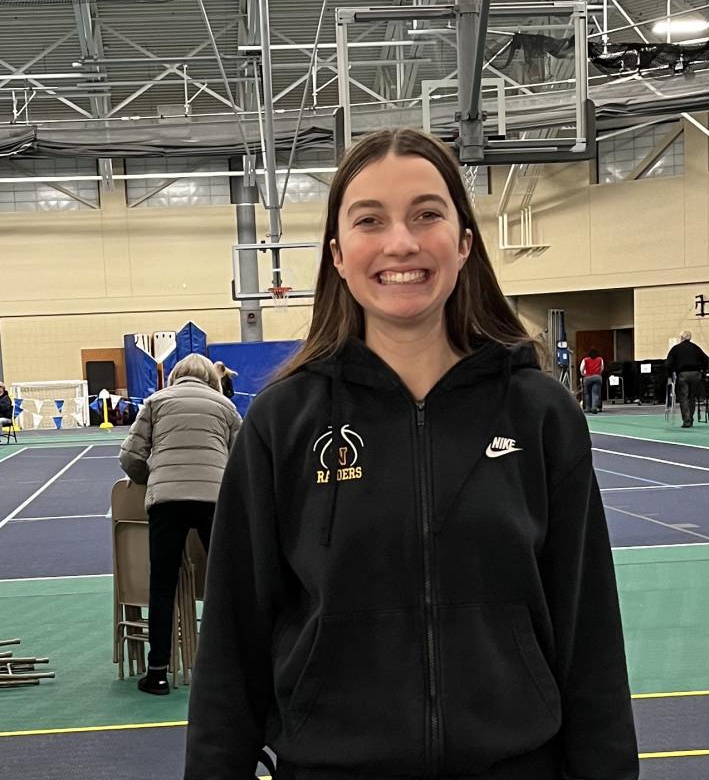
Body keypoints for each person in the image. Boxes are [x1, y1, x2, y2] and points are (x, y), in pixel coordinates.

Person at [185, 128, 639, 780]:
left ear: (463, 243)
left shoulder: (540, 415)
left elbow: (588, 630)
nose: (400, 242)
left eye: (426, 214)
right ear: (338, 255)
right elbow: (232, 644)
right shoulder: (282, 424)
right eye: (370, 220)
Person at [119, 353, 241, 695]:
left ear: (175, 375)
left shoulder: (156, 402)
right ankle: (233, 668)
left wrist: (150, 479)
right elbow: (242, 458)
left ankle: (158, 673)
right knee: (227, 583)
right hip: (214, 500)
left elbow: (130, 456)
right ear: (212, 379)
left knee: (162, 586)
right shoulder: (226, 407)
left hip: (167, 502)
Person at [665, 329, 708, 428]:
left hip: (683, 374)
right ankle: (690, 418)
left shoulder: (676, 348)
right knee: (692, 397)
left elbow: (668, 363)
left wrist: (669, 376)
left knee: (683, 397)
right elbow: (705, 358)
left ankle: (687, 420)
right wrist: (703, 371)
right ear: (690, 338)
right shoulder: (695, 348)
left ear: (681, 338)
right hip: (696, 374)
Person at [580, 348, 605, 413]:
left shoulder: (585, 360)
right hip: (597, 377)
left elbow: (581, 369)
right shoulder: (600, 359)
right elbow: (602, 368)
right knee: (595, 394)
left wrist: (583, 374)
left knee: (587, 394)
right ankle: (594, 408)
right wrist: (598, 373)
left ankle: (588, 408)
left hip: (587, 377)